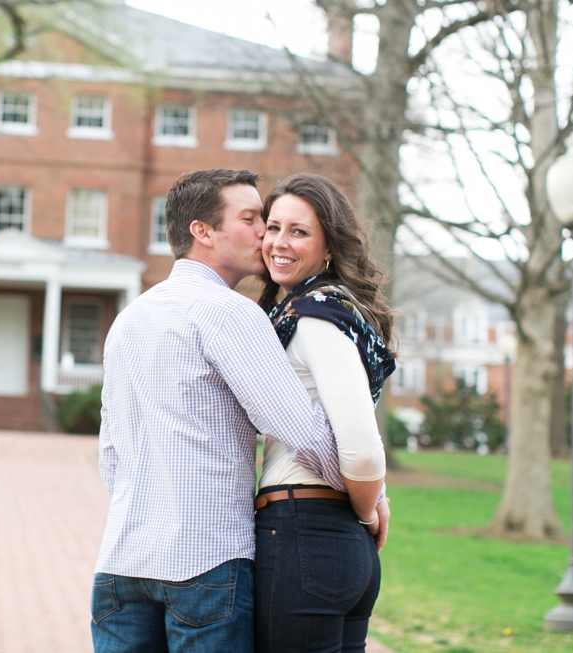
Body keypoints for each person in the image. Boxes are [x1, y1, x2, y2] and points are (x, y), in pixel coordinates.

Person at [91, 169, 350, 652]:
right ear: (202, 232)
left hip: (120, 564)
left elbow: (110, 452)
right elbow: (304, 433)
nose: (265, 234)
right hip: (206, 564)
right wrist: (365, 495)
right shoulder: (231, 313)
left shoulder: (128, 320)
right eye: (252, 219)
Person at [254, 173, 396, 653]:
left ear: (329, 247)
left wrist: (368, 509)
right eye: (273, 227)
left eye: (299, 231)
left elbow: (361, 449)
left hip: (304, 536)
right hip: (330, 544)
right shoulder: (314, 311)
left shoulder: (314, 316)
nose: (279, 242)